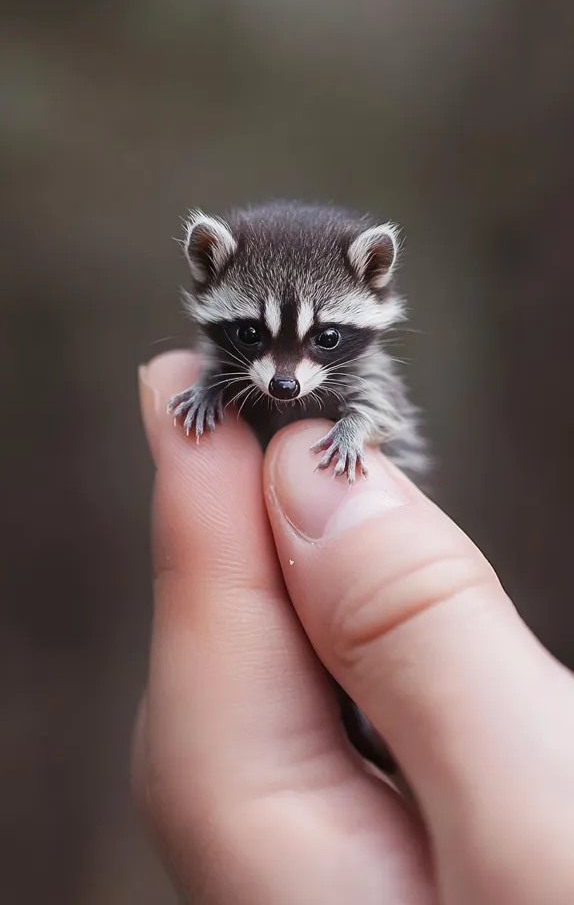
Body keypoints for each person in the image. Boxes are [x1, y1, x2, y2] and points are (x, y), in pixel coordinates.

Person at [133, 351, 574, 904]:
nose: (285, 375)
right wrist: (205, 394)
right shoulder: (230, 367)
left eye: (325, 338)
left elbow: (380, 413)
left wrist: (353, 432)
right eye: (251, 335)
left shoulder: (363, 376)